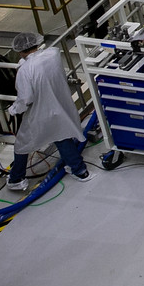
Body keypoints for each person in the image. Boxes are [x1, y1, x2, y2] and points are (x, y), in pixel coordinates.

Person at [9, 33, 89, 190]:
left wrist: (14, 109)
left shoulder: (24, 71)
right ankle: (80, 171)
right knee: (61, 135)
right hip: (59, 106)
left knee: (21, 144)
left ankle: (16, 179)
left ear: (19, 51)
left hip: (40, 112)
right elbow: (38, 64)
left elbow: (26, 99)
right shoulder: (53, 54)